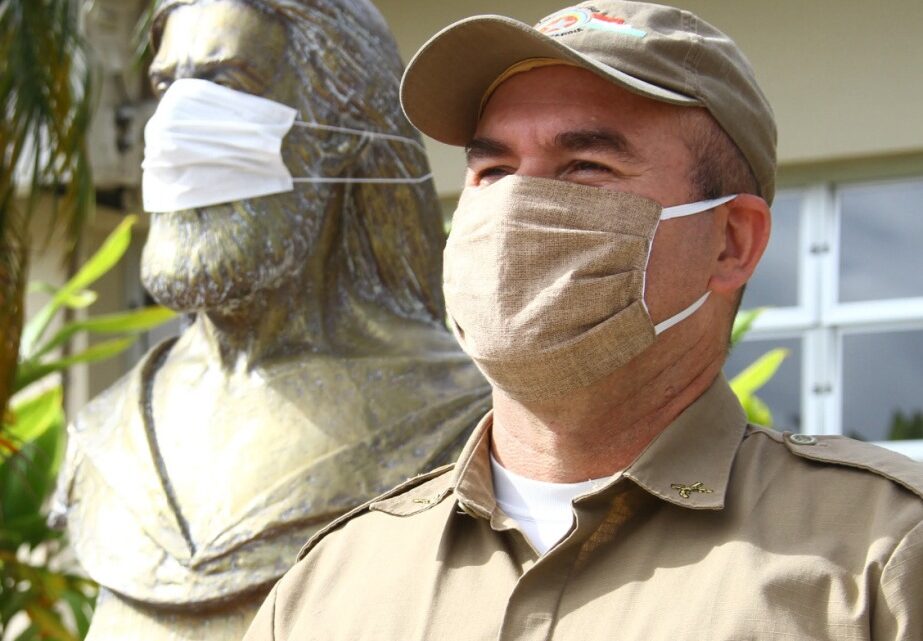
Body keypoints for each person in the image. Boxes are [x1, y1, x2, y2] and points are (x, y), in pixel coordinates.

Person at [243, 2, 923, 639]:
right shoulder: (329, 587)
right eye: (493, 169)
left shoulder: (881, 556)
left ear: (730, 243)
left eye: (585, 167)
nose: (515, 205)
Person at [50, 0, 489, 639]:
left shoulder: (469, 427)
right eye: (166, 86)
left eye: (226, 82)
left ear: (339, 127)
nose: (175, 127)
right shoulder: (106, 432)